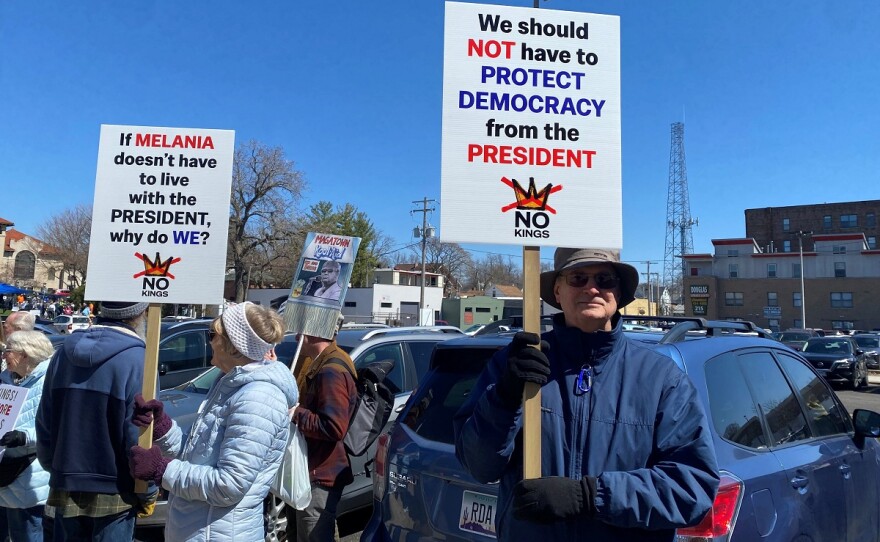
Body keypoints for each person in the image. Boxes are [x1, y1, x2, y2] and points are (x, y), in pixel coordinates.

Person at [454, 248, 719, 541]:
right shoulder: (514, 364)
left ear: (619, 292)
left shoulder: (663, 380)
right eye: (578, 278)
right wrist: (503, 398)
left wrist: (591, 496)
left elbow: (692, 487)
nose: (592, 288)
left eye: (604, 279)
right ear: (557, 290)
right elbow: (478, 466)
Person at [128, 302, 298, 542]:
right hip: (199, 529)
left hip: (218, 534)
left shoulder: (258, 399)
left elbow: (229, 485)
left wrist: (161, 469)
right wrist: (163, 428)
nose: (208, 341)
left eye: (212, 335)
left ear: (235, 348)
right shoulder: (229, 384)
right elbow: (198, 454)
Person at [36, 301, 153, 541]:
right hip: (115, 487)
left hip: (65, 479)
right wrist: (147, 488)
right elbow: (137, 433)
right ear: (141, 314)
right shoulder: (139, 359)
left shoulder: (63, 354)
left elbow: (45, 418)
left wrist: (53, 465)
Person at [288, 316, 357, 542]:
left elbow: (334, 427)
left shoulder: (331, 370)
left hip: (320, 475)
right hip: (314, 471)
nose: (298, 336)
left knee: (313, 535)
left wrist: (296, 413)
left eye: (302, 330)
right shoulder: (321, 361)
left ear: (315, 331)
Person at [0, 331, 55, 541]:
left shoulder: (49, 382)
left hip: (29, 473)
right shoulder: (6, 380)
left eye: (8, 351)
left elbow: (55, 429)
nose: (4, 356)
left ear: (25, 354)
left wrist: (24, 437)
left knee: (28, 533)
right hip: (6, 470)